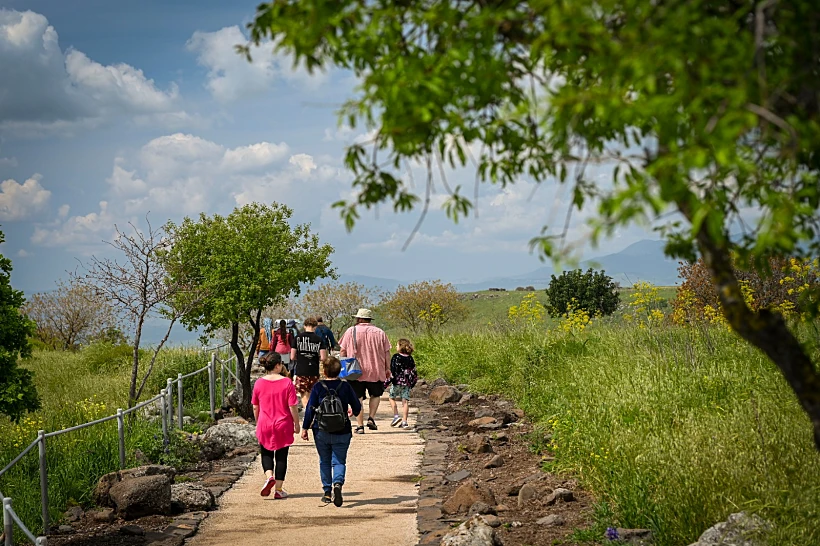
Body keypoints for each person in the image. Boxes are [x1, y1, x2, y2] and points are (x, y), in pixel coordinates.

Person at [301, 356, 362, 506]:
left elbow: (310, 409)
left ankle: (327, 492)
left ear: (324, 370)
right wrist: (352, 411)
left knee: (325, 460)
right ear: (340, 370)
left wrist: (305, 427)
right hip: (343, 429)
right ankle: (338, 484)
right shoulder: (346, 386)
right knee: (339, 460)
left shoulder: (318, 387)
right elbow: (357, 406)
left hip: (321, 430)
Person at [252, 352, 299, 499]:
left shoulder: (259, 383)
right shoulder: (287, 383)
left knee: (266, 452)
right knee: (281, 456)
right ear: (278, 366)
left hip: (265, 423)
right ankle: (278, 489)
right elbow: (292, 406)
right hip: (283, 423)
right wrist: (296, 423)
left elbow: (255, 406)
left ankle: (269, 476)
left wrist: (257, 421)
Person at [339, 308, 391, 434]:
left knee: (358, 398)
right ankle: (371, 418)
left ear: (359, 319)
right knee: (376, 395)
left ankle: (360, 425)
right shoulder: (380, 332)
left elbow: (342, 351)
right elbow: (387, 352)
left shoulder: (351, 331)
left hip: (355, 371)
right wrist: (387, 368)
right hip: (376, 369)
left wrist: (342, 366)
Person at [290, 317, 328, 410]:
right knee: (312, 392)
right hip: (314, 370)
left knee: (303, 393)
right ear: (315, 327)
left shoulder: (297, 338)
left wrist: (300, 357)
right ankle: (311, 412)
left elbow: (292, 356)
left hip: (301, 369)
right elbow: (323, 358)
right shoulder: (319, 339)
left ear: (304, 326)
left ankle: (308, 414)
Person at [388, 338, 418, 429]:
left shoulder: (396, 357)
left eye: (397, 345)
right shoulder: (410, 358)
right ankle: (405, 422)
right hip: (407, 383)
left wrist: (388, 381)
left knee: (391, 397)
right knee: (405, 401)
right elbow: (414, 372)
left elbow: (392, 370)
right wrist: (412, 383)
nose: (396, 347)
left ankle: (396, 416)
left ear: (400, 346)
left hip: (397, 382)